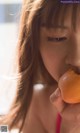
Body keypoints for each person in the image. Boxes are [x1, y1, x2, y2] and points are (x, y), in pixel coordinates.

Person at [1, 0, 80, 133]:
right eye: (58, 38)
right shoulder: (39, 107)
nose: (76, 59)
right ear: (35, 44)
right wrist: (70, 128)